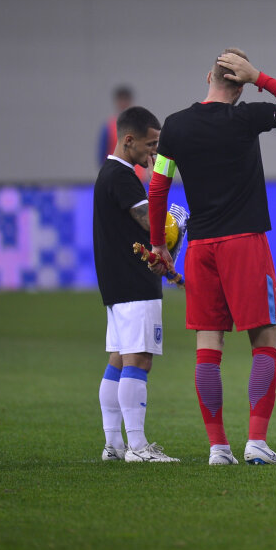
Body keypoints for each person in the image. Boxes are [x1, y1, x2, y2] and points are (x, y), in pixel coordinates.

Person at [147, 49, 276, 466]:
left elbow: (158, 187)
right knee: (265, 340)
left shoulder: (174, 126)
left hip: (201, 248)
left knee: (208, 346)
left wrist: (159, 244)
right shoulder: (247, 117)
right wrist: (260, 77)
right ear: (240, 86)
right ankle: (256, 442)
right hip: (245, 244)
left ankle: (218, 448)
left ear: (209, 78)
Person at [92, 105, 180, 463]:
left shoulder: (109, 173)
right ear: (129, 140)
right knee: (139, 360)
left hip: (117, 284)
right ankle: (138, 447)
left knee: (118, 359)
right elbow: (151, 223)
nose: (155, 151)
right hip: (134, 282)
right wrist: (175, 222)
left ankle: (114, 444)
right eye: (151, 144)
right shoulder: (123, 177)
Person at [96, 85, 142, 179]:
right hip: (115, 176)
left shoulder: (140, 125)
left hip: (137, 177)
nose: (123, 104)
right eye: (121, 100)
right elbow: (102, 155)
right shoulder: (109, 126)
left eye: (126, 100)